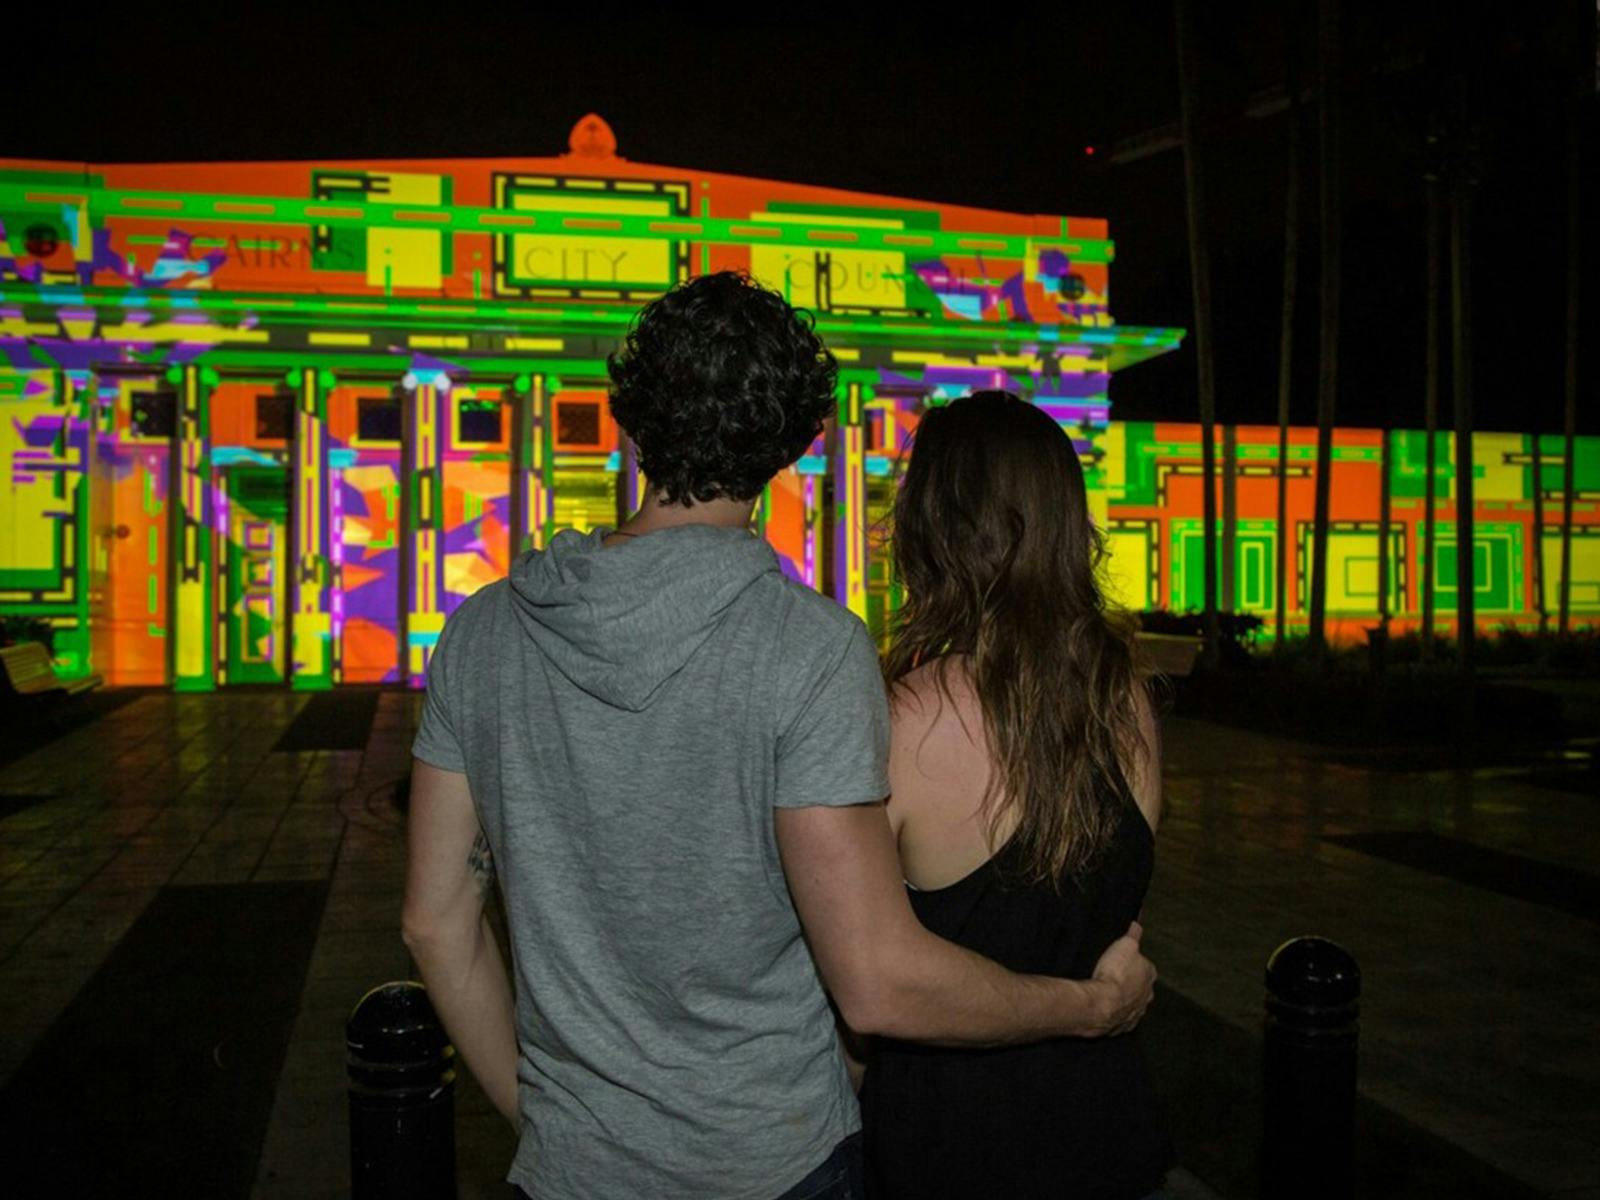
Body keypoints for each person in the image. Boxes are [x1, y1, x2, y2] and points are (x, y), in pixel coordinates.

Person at [401, 274, 1157, 1200]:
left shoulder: (481, 634)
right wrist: (1089, 1008)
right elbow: (875, 975)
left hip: (572, 1168)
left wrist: (548, 1121)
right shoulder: (811, 651)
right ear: (790, 453)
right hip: (776, 1162)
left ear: (628, 428)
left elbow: (435, 922)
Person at [857, 389, 1175, 1199]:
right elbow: (1115, 914)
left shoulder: (898, 716)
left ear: (932, 528)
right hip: (1103, 1134)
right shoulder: (1125, 698)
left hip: (946, 1149)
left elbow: (868, 983)